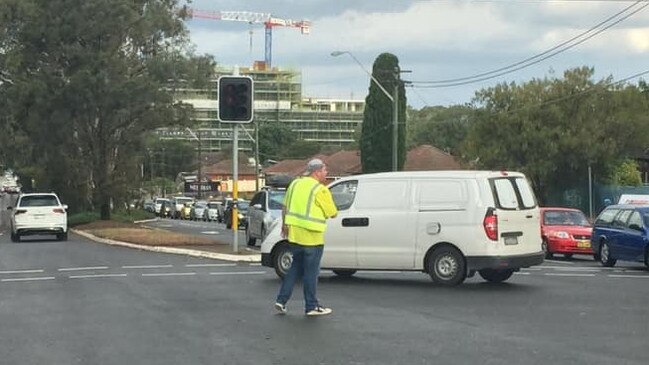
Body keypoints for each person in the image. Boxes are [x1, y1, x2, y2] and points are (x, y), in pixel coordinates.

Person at [274, 158, 338, 316]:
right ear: (317, 172)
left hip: (295, 235)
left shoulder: (295, 184)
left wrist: (284, 225)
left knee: (294, 269)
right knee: (311, 272)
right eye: (324, 170)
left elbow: (285, 206)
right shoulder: (320, 189)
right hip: (313, 238)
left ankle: (281, 301)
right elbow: (333, 213)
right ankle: (311, 306)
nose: (326, 173)